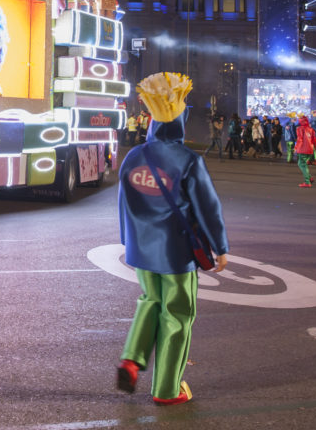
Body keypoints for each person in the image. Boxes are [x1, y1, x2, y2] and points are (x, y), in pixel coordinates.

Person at [115, 72, 229, 406]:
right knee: (177, 316)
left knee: (150, 301)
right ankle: (167, 388)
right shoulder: (189, 160)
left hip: (141, 249)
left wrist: (128, 239)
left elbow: (123, 203)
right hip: (176, 252)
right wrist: (220, 247)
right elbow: (208, 208)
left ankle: (132, 359)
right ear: (181, 120)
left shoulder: (134, 155)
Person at [293, 114, 316, 187]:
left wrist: (295, 147)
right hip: (310, 150)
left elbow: (300, 139)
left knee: (302, 165)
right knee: (301, 164)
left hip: (303, 149)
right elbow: (314, 140)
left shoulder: (299, 129)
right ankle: (309, 178)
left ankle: (307, 182)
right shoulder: (311, 129)